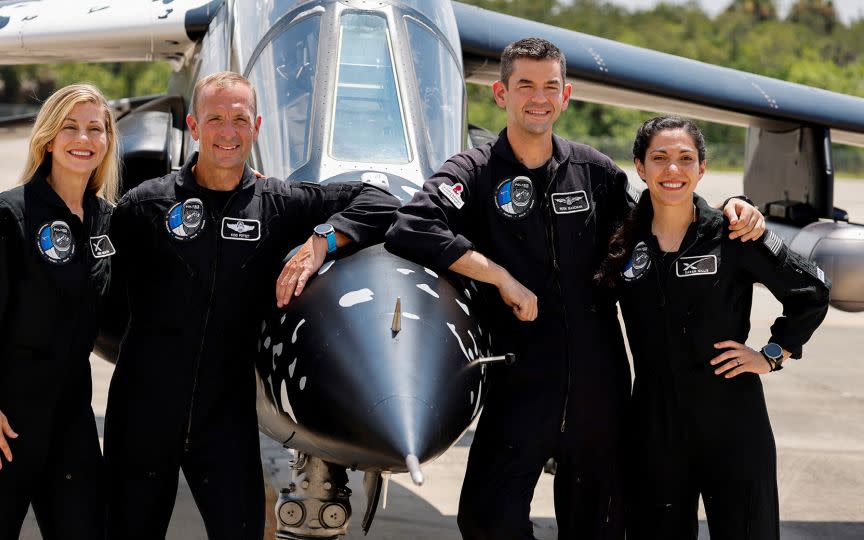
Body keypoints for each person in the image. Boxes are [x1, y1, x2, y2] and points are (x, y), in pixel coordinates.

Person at [384, 38, 766, 539]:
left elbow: (662, 217)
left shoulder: (595, 173)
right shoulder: (473, 173)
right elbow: (411, 227)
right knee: (486, 519)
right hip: (519, 382)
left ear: (566, 96)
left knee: (600, 526)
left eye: (550, 86)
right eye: (525, 85)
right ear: (501, 93)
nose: (538, 98)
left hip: (599, 387)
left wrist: (734, 206)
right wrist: (499, 277)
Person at [101, 71, 396, 539]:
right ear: (194, 127)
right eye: (215, 118)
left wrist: (321, 240)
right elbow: (84, 267)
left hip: (225, 421)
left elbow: (379, 202)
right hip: (142, 417)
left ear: (256, 126)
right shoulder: (146, 206)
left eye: (239, 119)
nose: (228, 132)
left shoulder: (279, 204)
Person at [594, 116, 830, 539]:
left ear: (701, 169)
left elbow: (811, 290)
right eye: (660, 158)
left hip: (732, 421)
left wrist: (772, 355)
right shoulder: (622, 244)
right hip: (654, 423)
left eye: (685, 159)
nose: (673, 170)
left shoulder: (734, 233)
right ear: (640, 167)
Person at [0, 83, 119, 540]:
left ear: (107, 141)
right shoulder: (11, 213)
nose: (83, 139)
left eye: (94, 129)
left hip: (69, 413)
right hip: (1, 409)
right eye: (70, 128)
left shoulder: (107, 220)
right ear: (48, 137)